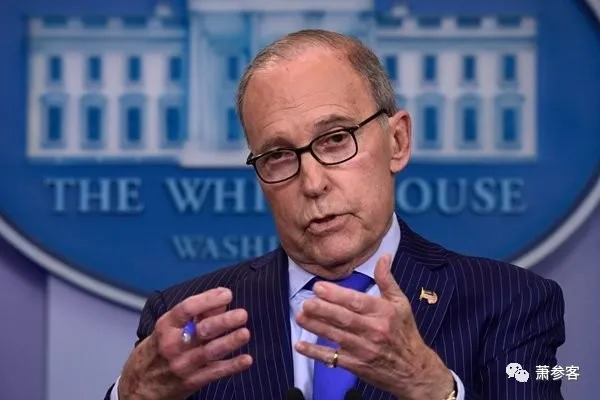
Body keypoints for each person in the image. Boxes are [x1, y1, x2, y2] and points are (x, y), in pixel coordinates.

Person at [104, 29, 565, 400]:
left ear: (398, 142)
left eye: (336, 139)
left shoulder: (509, 303)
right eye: (278, 155)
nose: (313, 182)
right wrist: (132, 395)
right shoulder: (191, 325)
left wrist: (432, 389)